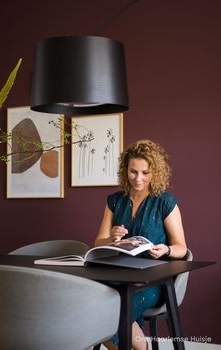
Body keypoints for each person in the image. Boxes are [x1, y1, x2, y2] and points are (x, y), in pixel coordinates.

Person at [94, 139, 187, 350]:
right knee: (92, 305)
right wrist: (112, 237)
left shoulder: (165, 202)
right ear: (125, 170)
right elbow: (98, 242)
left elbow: (181, 247)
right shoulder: (115, 201)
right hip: (119, 276)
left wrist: (167, 250)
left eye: (145, 173)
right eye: (133, 171)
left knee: (115, 310)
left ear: (155, 172)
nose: (138, 178)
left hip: (153, 282)